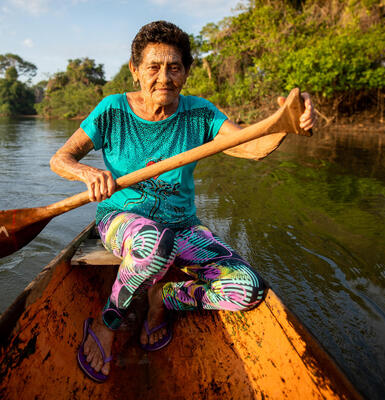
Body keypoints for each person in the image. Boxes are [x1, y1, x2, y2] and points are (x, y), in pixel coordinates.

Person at [49, 20, 315, 382]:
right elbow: (60, 159)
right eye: (153, 67)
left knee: (247, 289)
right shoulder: (112, 111)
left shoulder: (200, 114)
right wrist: (88, 174)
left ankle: (165, 298)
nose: (164, 77)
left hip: (182, 225)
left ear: (186, 72)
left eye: (174, 67)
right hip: (122, 219)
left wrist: (286, 124)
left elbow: (252, 148)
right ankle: (108, 321)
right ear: (135, 71)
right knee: (153, 245)